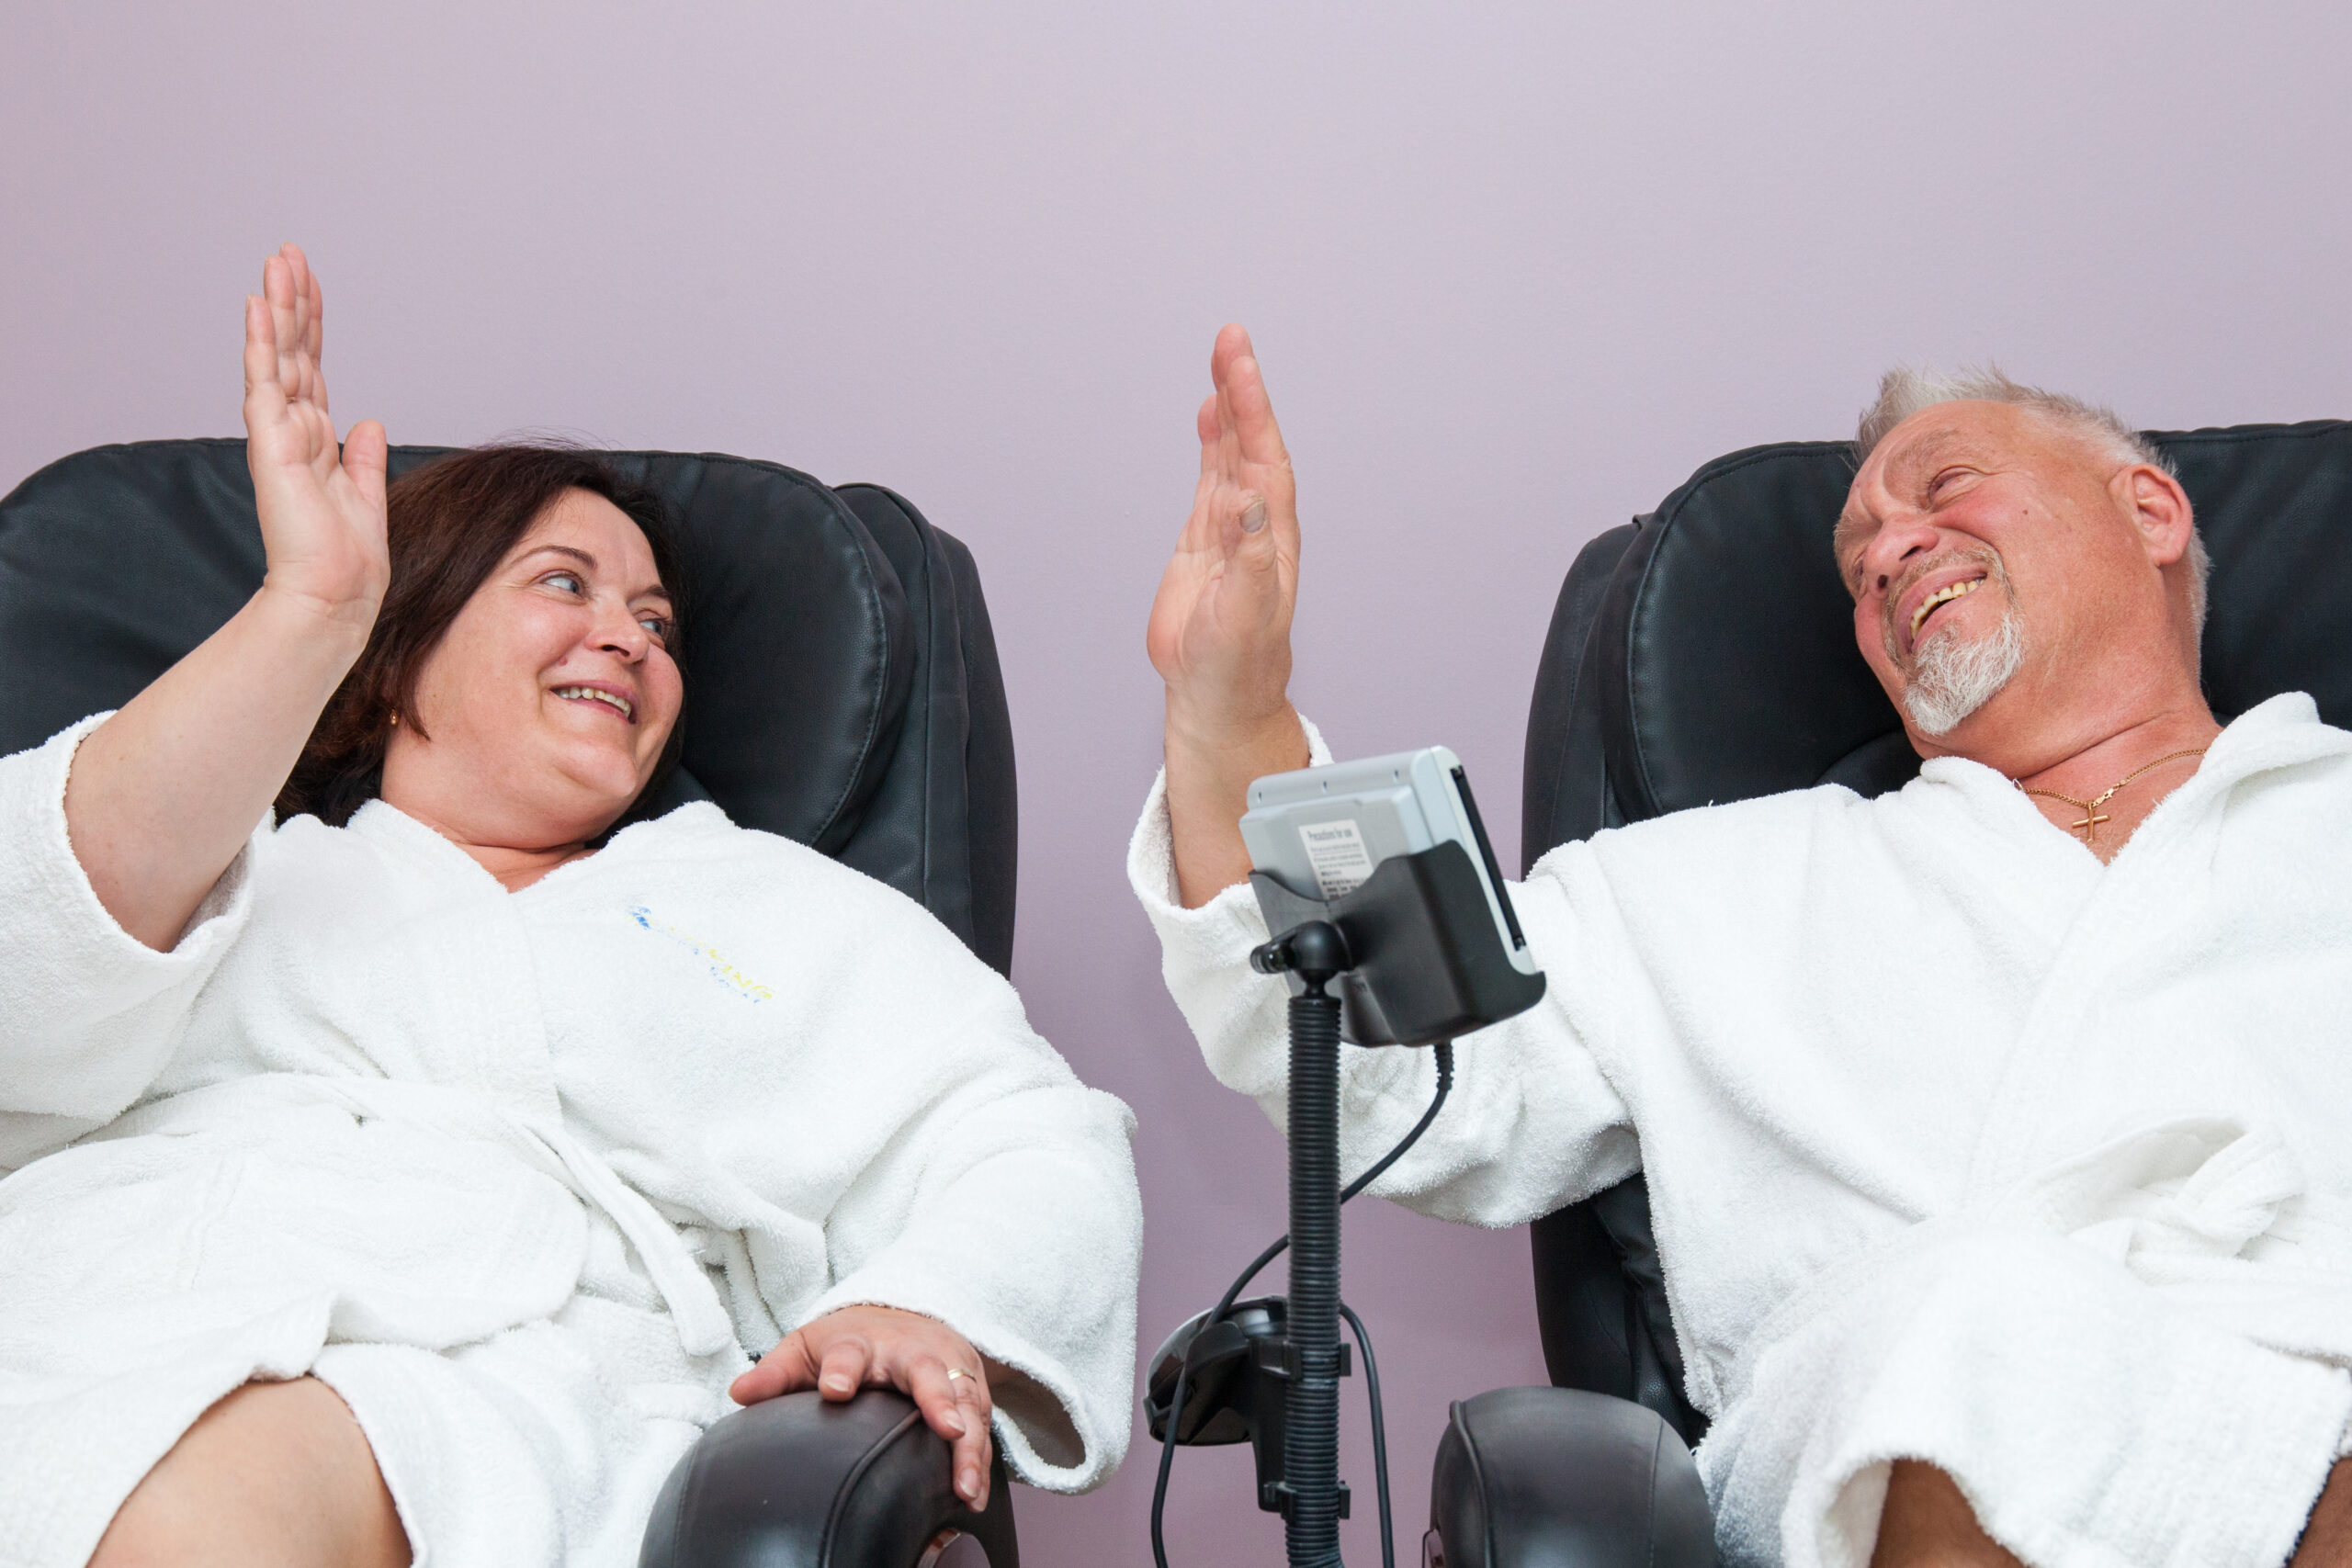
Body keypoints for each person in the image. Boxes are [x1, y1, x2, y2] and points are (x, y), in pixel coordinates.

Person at [1134, 325, 2352, 1568]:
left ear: (2148, 510)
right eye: (1859, 565)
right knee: (1987, 1326)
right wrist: (1230, 715)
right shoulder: (1717, 888)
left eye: (1944, 487)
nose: (1889, 553)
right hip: (1905, 1444)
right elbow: (1387, 1057)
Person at [0, 245, 1141, 1568]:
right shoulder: (235, 867)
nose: (630, 637)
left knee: (201, 1506)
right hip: (77, 1306)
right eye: (564, 584)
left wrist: (922, 1303)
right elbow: (34, 963)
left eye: (657, 622)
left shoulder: (763, 908)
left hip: (472, 1378)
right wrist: (306, 613)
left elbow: (1027, 1137)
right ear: (392, 662)